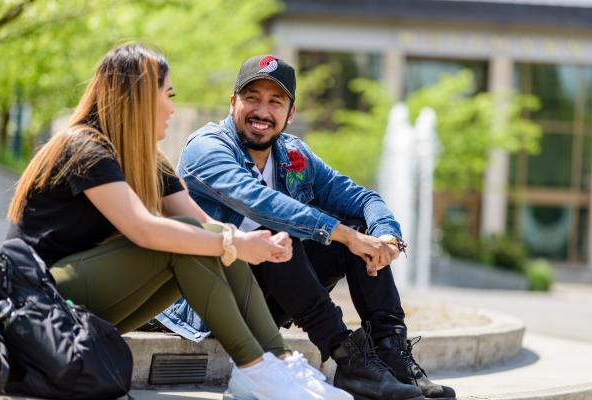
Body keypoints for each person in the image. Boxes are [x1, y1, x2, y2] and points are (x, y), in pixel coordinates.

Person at [5, 44, 352, 400]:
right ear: (137, 96)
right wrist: (233, 242)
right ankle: (254, 367)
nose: (171, 108)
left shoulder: (147, 158)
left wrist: (252, 245)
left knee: (207, 237)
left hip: (88, 308)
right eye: (166, 95)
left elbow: (205, 225)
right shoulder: (84, 148)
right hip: (40, 299)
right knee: (190, 239)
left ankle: (277, 363)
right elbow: (144, 229)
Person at [162, 54, 457, 400]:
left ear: (290, 114)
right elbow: (262, 204)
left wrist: (385, 237)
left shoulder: (293, 156)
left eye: (276, 102)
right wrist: (343, 234)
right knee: (280, 235)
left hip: (266, 298)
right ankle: (350, 362)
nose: (262, 111)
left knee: (357, 226)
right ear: (233, 103)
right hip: (211, 300)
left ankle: (392, 355)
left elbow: (362, 198)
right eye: (252, 97)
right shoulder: (207, 148)